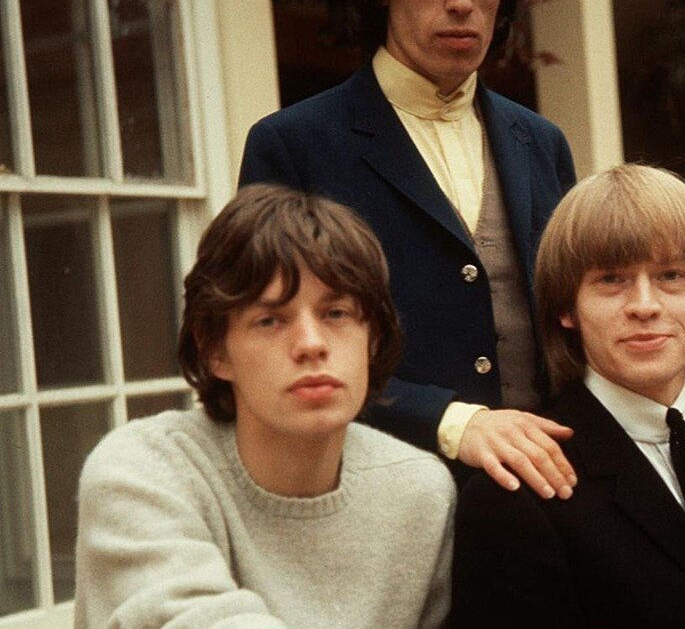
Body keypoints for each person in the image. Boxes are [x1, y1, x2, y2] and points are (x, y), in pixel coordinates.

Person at [238, 0, 581, 499]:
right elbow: (273, 346)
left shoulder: (542, 143)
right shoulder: (294, 144)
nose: (462, 0)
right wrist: (448, 421)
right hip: (383, 497)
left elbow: (578, 322)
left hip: (549, 494)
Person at [451, 165, 685, 628]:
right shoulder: (514, 497)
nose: (645, 306)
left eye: (671, 276)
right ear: (567, 308)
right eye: (612, 279)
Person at [73, 185, 455, 627]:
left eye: (336, 313)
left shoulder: (420, 491)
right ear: (215, 351)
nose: (311, 344)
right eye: (270, 320)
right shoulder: (142, 470)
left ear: (373, 338)